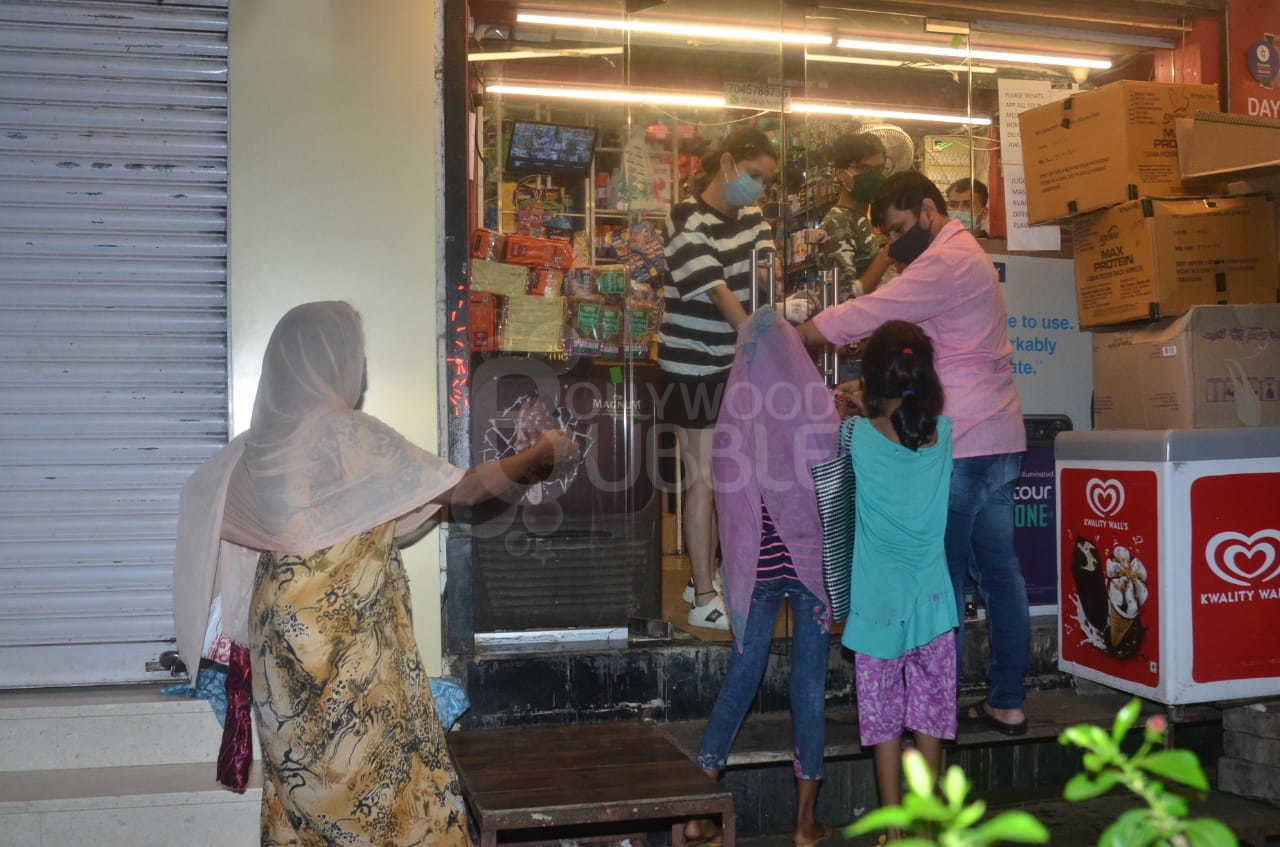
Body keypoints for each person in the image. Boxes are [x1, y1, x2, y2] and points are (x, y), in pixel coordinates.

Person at [173, 301, 577, 845]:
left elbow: (203, 499)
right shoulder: (345, 437)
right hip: (347, 657)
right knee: (374, 797)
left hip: (280, 649)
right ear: (329, 360)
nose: (360, 368)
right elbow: (465, 490)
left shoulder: (256, 449)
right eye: (355, 354)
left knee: (304, 795)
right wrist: (539, 453)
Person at [797, 170, 1030, 736]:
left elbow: (871, 311)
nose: (891, 244)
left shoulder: (946, 262)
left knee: (938, 582)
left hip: (966, 441)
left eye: (898, 229)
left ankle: (929, 711)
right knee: (1000, 576)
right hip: (1000, 437)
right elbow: (930, 358)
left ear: (928, 210)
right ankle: (1006, 701)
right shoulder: (963, 256)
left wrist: (801, 335)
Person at [685, 307, 837, 847]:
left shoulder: (736, 409)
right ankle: (804, 822)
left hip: (757, 570)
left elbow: (726, 494)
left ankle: (698, 808)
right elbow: (832, 480)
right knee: (808, 689)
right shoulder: (815, 404)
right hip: (810, 569)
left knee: (742, 677)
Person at [660, 126, 778, 630]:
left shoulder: (752, 217)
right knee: (704, 478)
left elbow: (764, 276)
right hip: (691, 364)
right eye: (753, 176)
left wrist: (763, 320)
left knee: (735, 476)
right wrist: (754, 331)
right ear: (727, 163)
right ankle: (705, 594)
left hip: (736, 364)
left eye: (766, 181)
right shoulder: (686, 216)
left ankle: (704, 575)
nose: (759, 190)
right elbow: (718, 291)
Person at [843, 321, 957, 830]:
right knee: (932, 718)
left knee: (883, 726)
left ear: (871, 377)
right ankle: (930, 829)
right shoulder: (945, 436)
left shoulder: (854, 436)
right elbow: (916, 420)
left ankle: (893, 831)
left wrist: (850, 401)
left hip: (875, 608)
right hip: (934, 605)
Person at [818, 132, 888, 295]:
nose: (873, 176)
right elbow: (842, 295)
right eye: (864, 168)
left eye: (879, 168)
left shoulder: (862, 220)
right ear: (841, 173)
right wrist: (886, 257)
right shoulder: (837, 223)